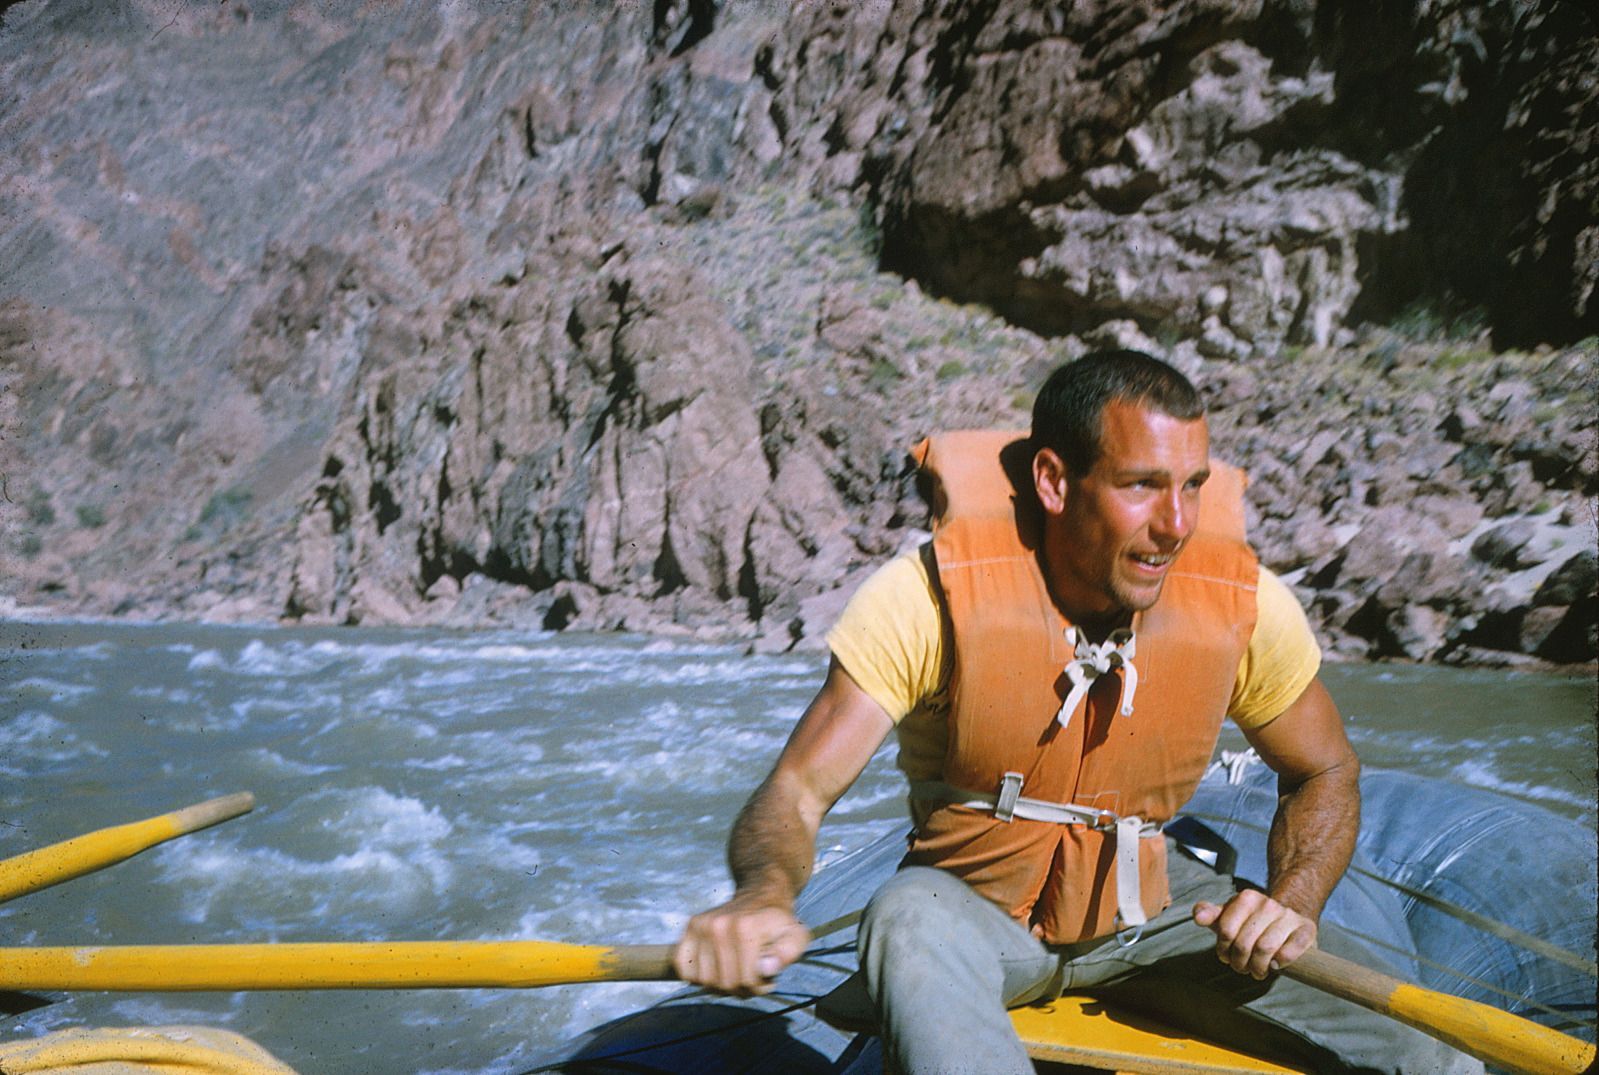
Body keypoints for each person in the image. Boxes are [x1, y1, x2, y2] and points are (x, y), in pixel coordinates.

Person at [673, 351, 1478, 1074]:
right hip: (973, 916)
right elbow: (797, 792)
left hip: (1160, 912)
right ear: (1055, 483)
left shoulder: (1242, 606)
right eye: (1141, 486)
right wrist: (761, 895)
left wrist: (1289, 902)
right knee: (903, 918)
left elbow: (1325, 767)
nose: (1176, 525)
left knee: (1431, 1056)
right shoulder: (923, 601)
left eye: (1192, 485)